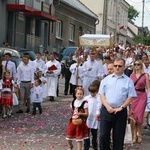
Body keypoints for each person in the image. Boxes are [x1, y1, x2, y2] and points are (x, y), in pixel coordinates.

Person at [99, 58, 137, 150]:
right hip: (106, 110)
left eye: (119, 66)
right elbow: (102, 94)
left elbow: (130, 96)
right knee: (103, 136)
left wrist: (121, 107)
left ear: (124, 67)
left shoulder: (128, 81)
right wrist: (107, 107)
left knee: (118, 138)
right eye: (115, 66)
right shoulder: (106, 79)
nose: (117, 68)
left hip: (120, 112)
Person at [130, 59, 150, 143]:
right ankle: (134, 135)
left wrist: (149, 98)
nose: (136, 66)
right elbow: (129, 88)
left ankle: (140, 134)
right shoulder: (131, 75)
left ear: (141, 65)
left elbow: (148, 88)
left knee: (140, 116)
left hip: (142, 96)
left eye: (138, 64)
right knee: (133, 117)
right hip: (133, 96)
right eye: (135, 64)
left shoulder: (145, 75)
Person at [84, 81, 102, 150]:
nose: (92, 94)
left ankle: (95, 146)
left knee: (94, 134)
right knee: (86, 134)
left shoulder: (99, 98)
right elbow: (85, 107)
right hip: (88, 118)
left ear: (97, 91)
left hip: (95, 118)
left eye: (94, 93)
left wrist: (98, 113)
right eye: (91, 92)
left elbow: (99, 106)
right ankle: (86, 147)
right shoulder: (87, 98)